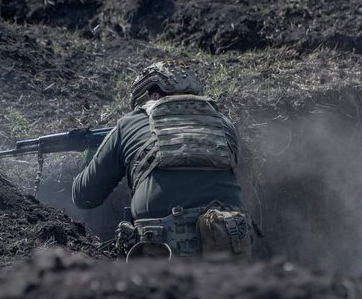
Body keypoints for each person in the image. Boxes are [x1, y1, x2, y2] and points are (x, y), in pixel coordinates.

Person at [72, 61, 252, 260]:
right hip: (227, 242)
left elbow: (84, 196)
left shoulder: (129, 124)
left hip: (162, 252)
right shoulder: (225, 124)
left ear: (154, 95)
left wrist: (91, 153)